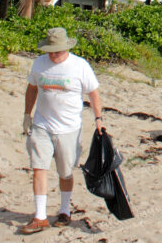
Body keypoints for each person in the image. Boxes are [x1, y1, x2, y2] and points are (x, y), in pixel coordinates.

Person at [21, 28, 104, 234]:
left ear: (65, 48)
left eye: (56, 51)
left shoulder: (80, 66)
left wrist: (98, 119)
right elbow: (32, 88)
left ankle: (65, 211)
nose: (53, 54)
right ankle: (40, 217)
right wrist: (26, 114)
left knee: (65, 172)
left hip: (69, 128)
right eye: (50, 50)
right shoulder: (39, 63)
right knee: (39, 167)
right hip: (42, 125)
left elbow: (93, 93)